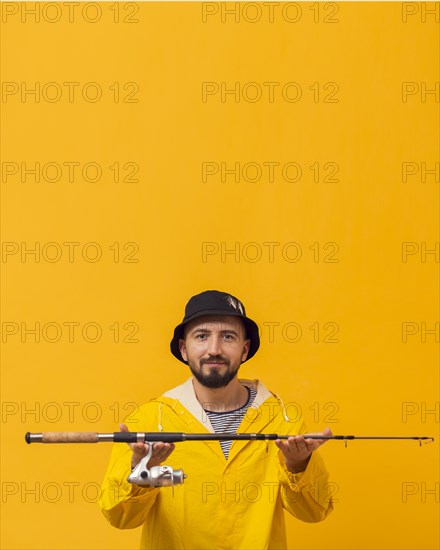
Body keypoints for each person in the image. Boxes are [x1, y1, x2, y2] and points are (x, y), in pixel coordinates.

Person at [98, 290, 334, 549]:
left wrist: (298, 464)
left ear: (244, 349)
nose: (214, 349)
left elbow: (314, 513)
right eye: (202, 336)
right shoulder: (150, 421)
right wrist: (142, 471)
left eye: (228, 337)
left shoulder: (283, 420)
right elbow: (119, 517)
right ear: (184, 349)